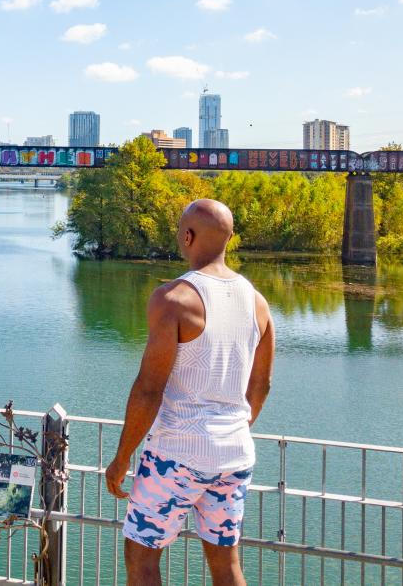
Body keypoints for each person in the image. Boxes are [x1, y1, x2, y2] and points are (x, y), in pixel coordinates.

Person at [104, 199, 275, 586]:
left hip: (176, 454)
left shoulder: (173, 299)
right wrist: (230, 429)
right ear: (230, 239)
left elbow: (149, 390)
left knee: (141, 558)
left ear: (187, 236)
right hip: (234, 454)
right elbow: (261, 385)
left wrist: (121, 458)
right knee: (226, 564)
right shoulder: (258, 304)